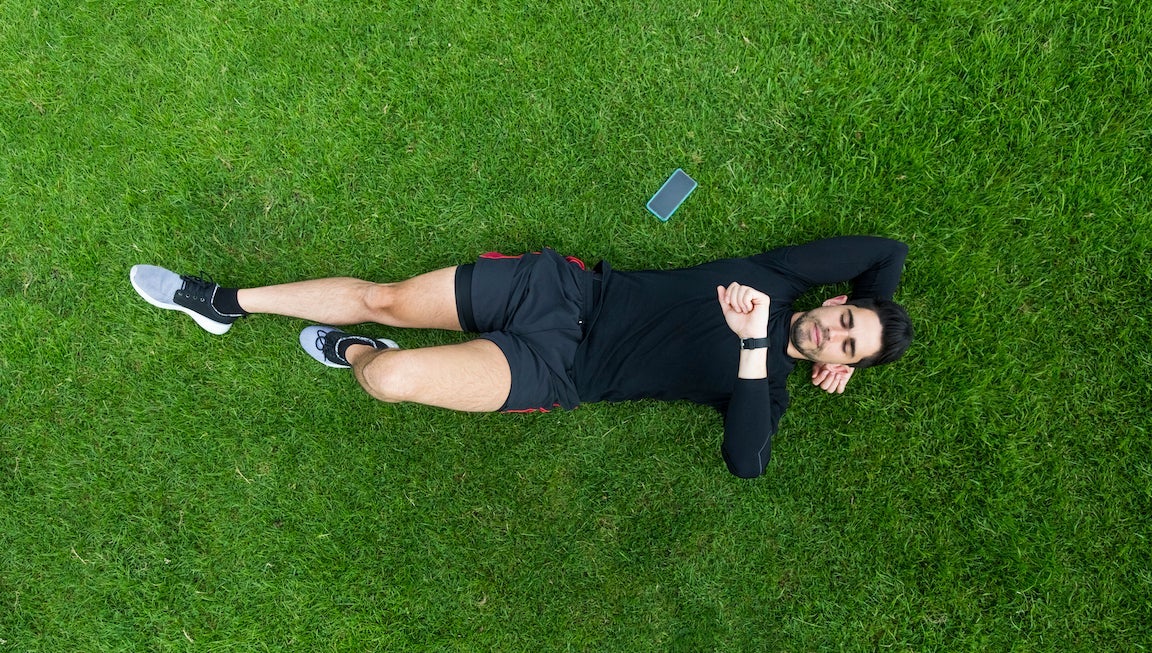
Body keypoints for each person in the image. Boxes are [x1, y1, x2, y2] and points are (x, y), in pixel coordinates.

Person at [129, 235, 912, 478]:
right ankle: (224, 303)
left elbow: (746, 461)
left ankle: (361, 352)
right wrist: (874, 312)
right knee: (389, 295)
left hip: (557, 373)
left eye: (846, 348)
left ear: (837, 366)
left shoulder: (763, 385)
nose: (830, 335)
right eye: (845, 321)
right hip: (563, 296)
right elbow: (888, 250)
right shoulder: (780, 277)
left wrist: (754, 348)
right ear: (838, 297)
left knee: (392, 377)